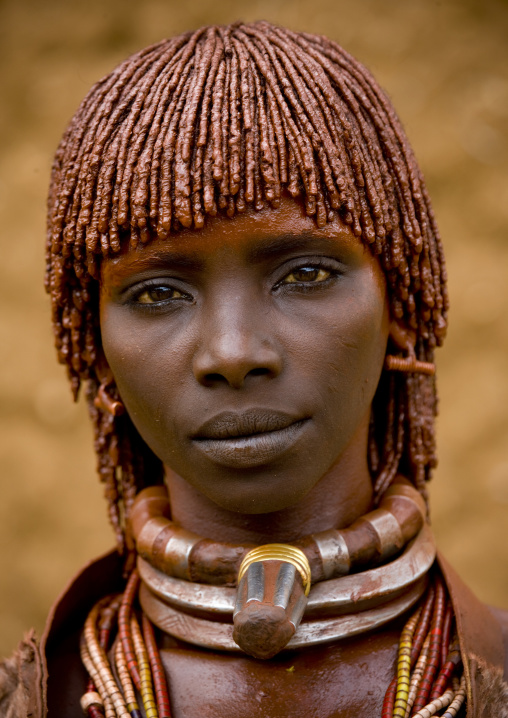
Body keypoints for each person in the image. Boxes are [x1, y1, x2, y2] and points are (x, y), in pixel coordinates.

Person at [1, 20, 507, 718]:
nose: (234, 353)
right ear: (96, 345)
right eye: (157, 293)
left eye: (305, 274)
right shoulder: (41, 699)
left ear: (400, 298)